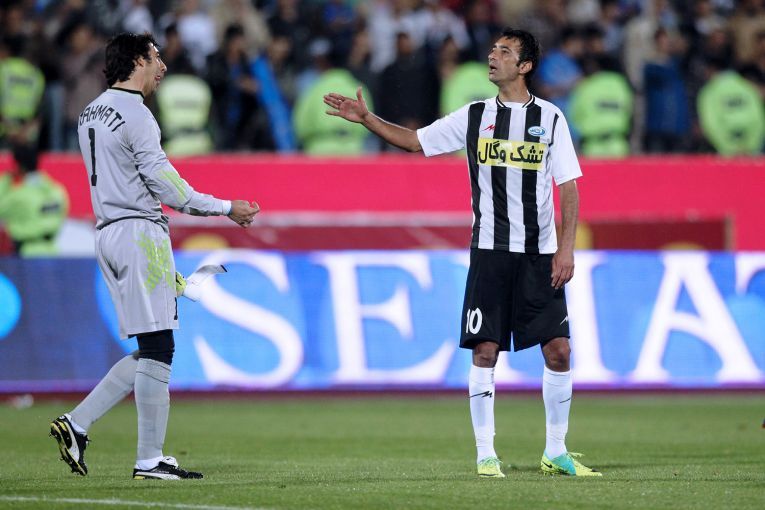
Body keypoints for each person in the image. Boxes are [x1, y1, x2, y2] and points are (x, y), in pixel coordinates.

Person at [324, 28, 601, 478]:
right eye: (493, 49)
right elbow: (415, 141)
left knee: (559, 351)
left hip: (539, 254)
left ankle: (556, 451)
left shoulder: (550, 118)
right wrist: (367, 119)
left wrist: (565, 249)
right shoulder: (475, 115)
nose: (493, 56)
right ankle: (485, 454)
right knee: (485, 350)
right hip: (490, 251)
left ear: (525, 66)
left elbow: (568, 186)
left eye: (504, 52)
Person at [49, 32, 259, 480]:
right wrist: (226, 207)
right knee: (160, 349)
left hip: (108, 232)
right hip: (139, 232)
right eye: (156, 57)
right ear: (137, 61)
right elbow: (171, 189)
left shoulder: (91, 111)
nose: (163, 66)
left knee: (151, 348)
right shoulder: (137, 114)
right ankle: (147, 458)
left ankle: (80, 425)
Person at [0, 142, 69, 256]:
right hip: (53, 252)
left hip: (27, 254)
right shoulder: (57, 191)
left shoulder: (18, 197)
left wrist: (6, 180)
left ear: (18, 166)